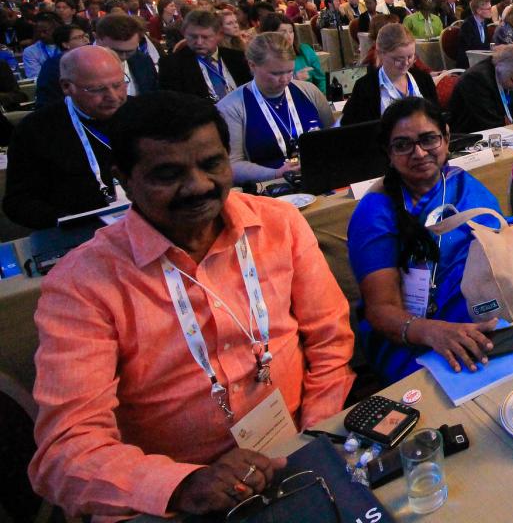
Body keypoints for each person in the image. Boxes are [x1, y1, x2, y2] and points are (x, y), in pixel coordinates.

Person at [28, 91, 354, 521]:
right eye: (168, 174)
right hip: (178, 501)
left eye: (211, 164)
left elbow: (330, 340)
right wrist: (181, 485)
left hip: (299, 453)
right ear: (124, 179)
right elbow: (66, 451)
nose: (199, 185)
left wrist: (313, 439)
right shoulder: (82, 283)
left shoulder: (280, 223)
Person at [349, 97, 502, 380]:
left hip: (484, 314)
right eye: (403, 145)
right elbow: (380, 310)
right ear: (389, 152)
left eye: (428, 139)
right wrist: (435, 332)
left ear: (445, 136)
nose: (418, 153)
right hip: (414, 338)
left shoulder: (461, 183)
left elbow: (504, 247)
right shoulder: (374, 212)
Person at [4, 46, 129, 228]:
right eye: (97, 89)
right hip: (79, 231)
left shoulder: (143, 113)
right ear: (66, 86)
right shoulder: (36, 129)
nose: (113, 96)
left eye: (118, 84)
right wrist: (71, 220)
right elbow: (18, 202)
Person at [216, 33, 332, 184]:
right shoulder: (231, 107)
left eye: (289, 71)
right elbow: (231, 165)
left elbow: (332, 136)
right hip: (269, 186)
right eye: (275, 73)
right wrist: (276, 173)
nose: (285, 79)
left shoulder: (309, 91)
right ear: (252, 66)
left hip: (320, 177)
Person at [342, 23, 437, 127]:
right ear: (381, 54)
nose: (406, 63)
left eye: (410, 57)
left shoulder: (424, 79)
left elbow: (437, 119)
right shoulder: (365, 87)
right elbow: (352, 129)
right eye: (398, 59)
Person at [159, 10, 251, 102]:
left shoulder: (238, 58)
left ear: (219, 35)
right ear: (184, 34)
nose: (199, 42)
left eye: (205, 37)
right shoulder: (171, 65)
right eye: (193, 37)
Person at [447, 43, 513, 132]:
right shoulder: (476, 79)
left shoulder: (512, 76)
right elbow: (490, 123)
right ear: (504, 70)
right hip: (471, 135)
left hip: (499, 131)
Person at [258, 13, 326, 94]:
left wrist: (320, 99)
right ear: (270, 35)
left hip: (310, 97)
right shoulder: (264, 59)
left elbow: (321, 80)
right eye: (283, 32)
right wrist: (294, 80)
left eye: (291, 31)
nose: (289, 36)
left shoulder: (305, 50)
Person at [33, 23, 92, 108]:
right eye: (79, 37)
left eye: (85, 36)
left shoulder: (89, 60)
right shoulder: (53, 65)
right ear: (65, 44)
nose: (86, 40)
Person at [456, 0, 493, 69]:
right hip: (469, 62)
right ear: (479, 11)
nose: (491, 11)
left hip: (480, 58)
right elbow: (472, 47)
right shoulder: (467, 25)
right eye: (488, 9)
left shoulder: (484, 22)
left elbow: (484, 43)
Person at [21, 12, 60, 79]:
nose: (42, 35)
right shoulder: (30, 51)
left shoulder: (68, 45)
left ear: (56, 29)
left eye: (45, 31)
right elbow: (36, 77)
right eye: (39, 32)